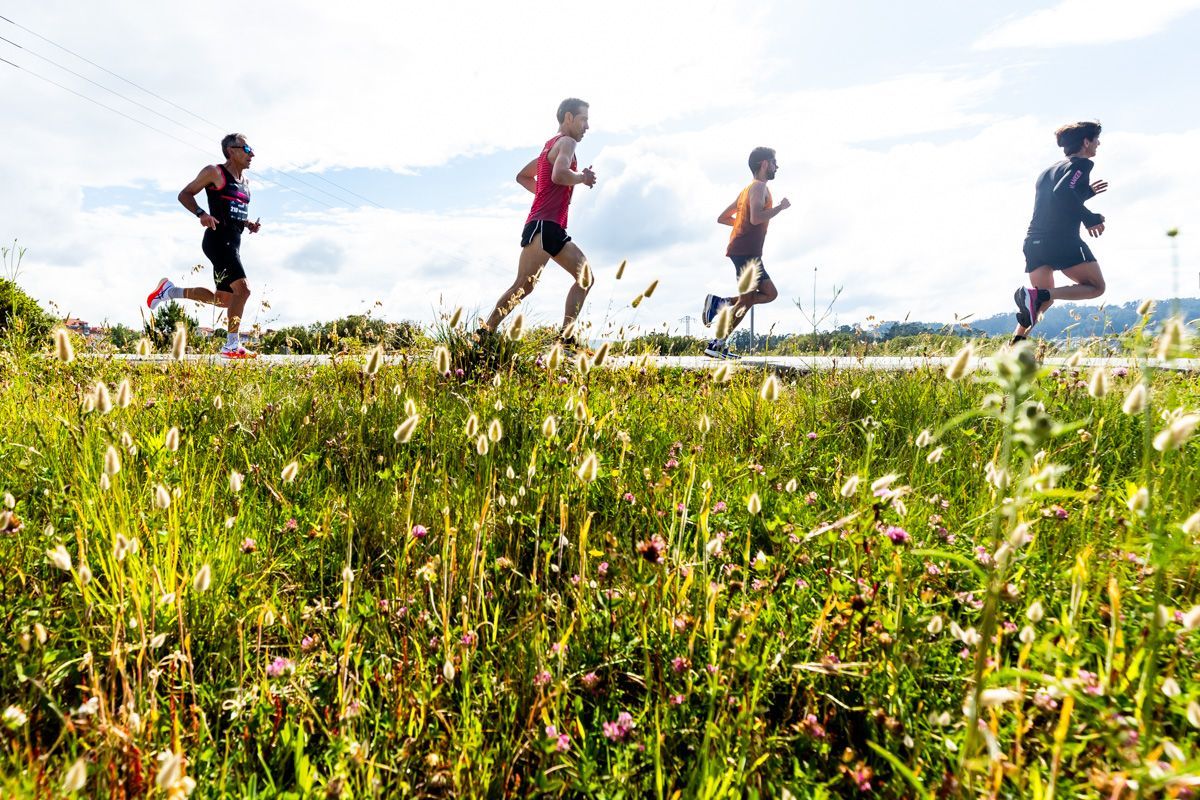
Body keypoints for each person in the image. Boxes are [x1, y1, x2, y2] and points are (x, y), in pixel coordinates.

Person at [482, 98, 597, 348]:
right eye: (584, 120)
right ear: (569, 118)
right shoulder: (567, 143)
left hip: (547, 227)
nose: (587, 126)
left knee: (578, 278)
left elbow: (523, 177)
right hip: (545, 225)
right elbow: (559, 174)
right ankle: (485, 333)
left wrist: (544, 194)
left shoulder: (549, 147)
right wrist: (582, 178)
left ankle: (565, 338)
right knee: (526, 284)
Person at [146, 133, 262, 358]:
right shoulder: (214, 172)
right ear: (231, 151)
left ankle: (169, 291)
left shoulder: (246, 183)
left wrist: (248, 224)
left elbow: (232, 212)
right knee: (243, 289)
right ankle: (231, 345)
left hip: (234, 242)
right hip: (218, 240)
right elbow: (184, 194)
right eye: (247, 149)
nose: (252, 154)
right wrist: (201, 214)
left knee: (225, 300)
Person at [1011, 121, 1108, 344]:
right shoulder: (1082, 165)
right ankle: (1039, 294)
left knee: (1038, 303)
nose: (1099, 143)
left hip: (1034, 243)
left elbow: (1058, 198)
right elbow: (1063, 192)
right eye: (1096, 139)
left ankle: (1014, 346)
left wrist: (1086, 193)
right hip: (1061, 241)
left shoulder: (1048, 171)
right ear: (1086, 142)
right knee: (1096, 287)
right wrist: (1090, 218)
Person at [702, 147, 790, 358]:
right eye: (774, 162)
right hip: (746, 251)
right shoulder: (759, 187)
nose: (777, 166)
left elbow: (723, 218)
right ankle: (717, 344)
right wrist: (780, 208)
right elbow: (756, 218)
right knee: (747, 300)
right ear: (764, 164)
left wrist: (742, 226)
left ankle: (720, 304)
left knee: (770, 294)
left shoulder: (747, 190)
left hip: (746, 250)